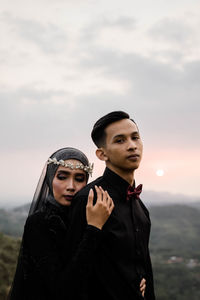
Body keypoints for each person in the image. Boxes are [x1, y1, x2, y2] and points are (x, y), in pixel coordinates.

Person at [67, 111, 155, 300]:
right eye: (120, 140)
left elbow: (144, 269)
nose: (132, 146)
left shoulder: (141, 207)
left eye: (135, 138)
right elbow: (75, 276)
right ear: (102, 153)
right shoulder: (89, 199)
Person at [8, 147, 114, 300]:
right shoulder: (40, 223)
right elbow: (62, 290)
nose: (71, 186)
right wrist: (94, 229)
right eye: (62, 177)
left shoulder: (91, 216)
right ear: (50, 179)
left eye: (79, 179)